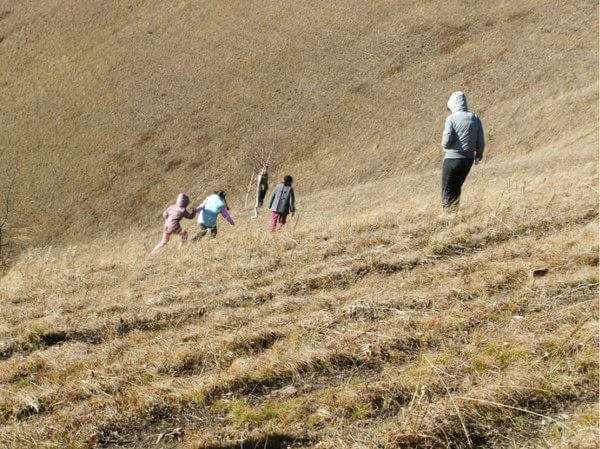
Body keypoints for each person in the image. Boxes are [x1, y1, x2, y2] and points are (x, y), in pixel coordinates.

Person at [441, 91, 485, 211]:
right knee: (457, 187)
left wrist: (445, 146)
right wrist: (479, 155)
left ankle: (447, 215)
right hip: (468, 159)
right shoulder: (475, 118)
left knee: (447, 188)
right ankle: (454, 213)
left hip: (452, 158)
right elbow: (480, 140)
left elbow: (447, 139)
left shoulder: (451, 119)